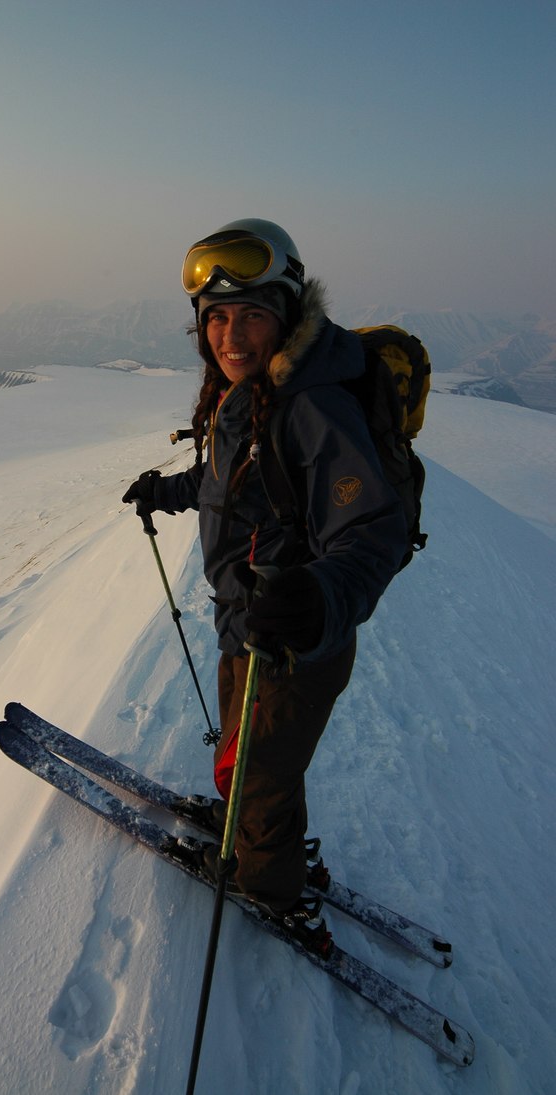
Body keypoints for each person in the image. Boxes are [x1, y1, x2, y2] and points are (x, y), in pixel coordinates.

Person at [122, 218, 408, 918]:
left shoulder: (311, 405)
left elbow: (375, 531)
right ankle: (270, 833)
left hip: (293, 645)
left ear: (286, 316)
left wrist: (317, 594)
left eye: (252, 315)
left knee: (261, 777)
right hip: (246, 629)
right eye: (216, 317)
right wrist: (168, 490)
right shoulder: (247, 397)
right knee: (260, 762)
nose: (231, 335)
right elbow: (231, 485)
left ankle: (274, 889)